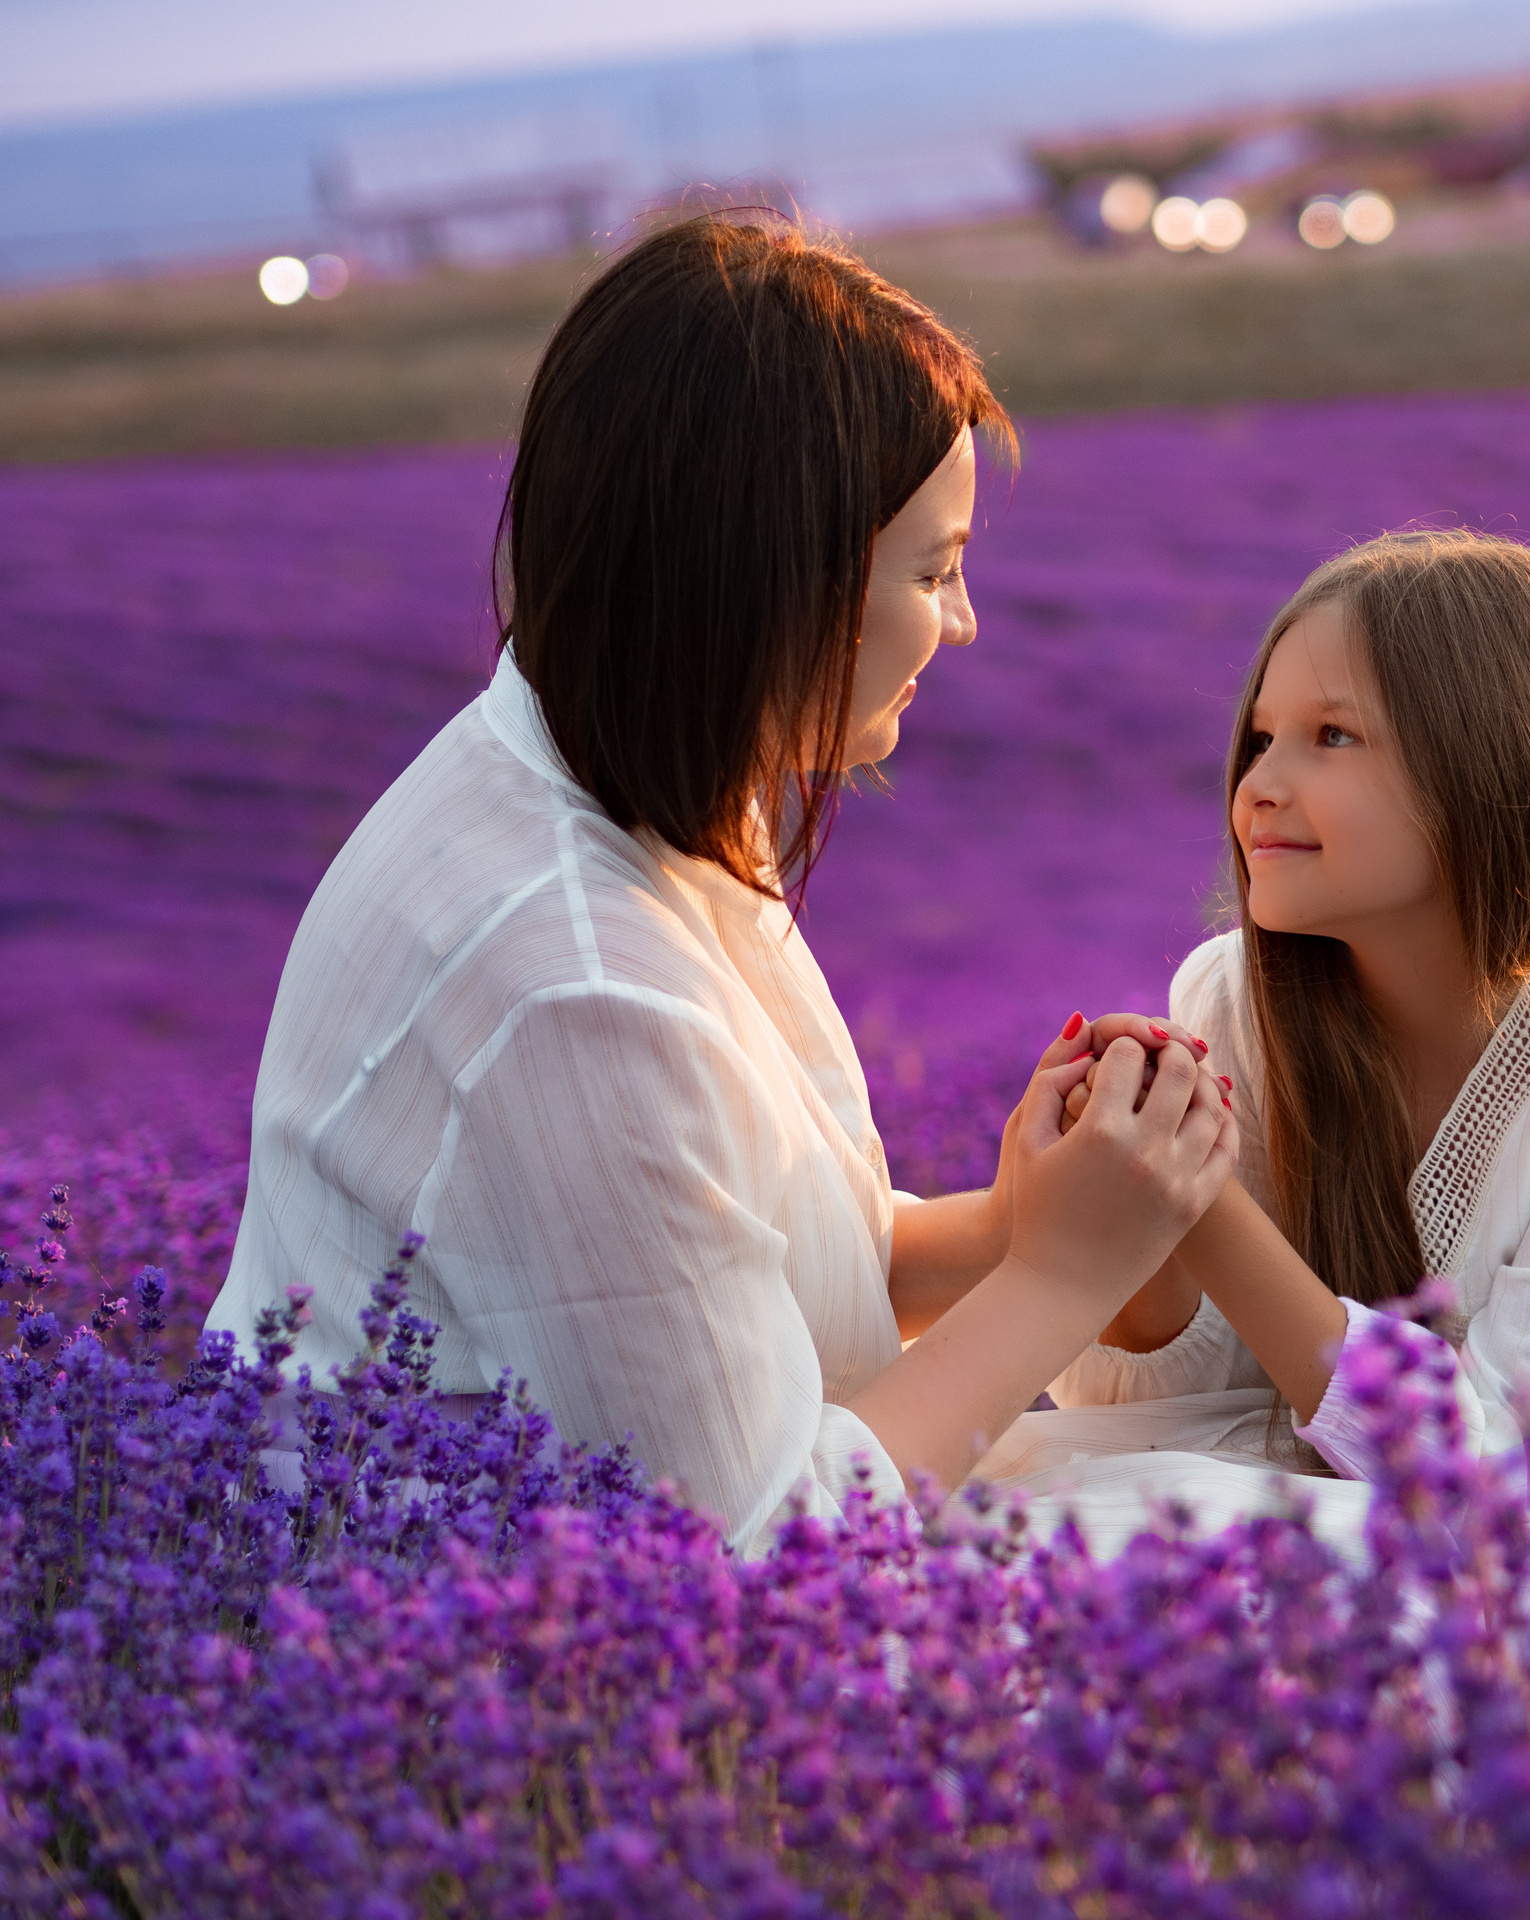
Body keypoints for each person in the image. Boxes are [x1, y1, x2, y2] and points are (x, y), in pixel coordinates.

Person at [206, 213, 1361, 1558]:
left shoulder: (634, 784)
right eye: (934, 571)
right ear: (778, 583)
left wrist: (1024, 1221)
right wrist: (1065, 1272)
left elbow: (754, 1283)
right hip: (508, 1679)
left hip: (668, 1578)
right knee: (1350, 1583)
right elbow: (760, 1560)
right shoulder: (574, 983)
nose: (967, 620)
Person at [1002, 531, 1530, 1483]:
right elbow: (1175, 1413)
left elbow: (1497, 1463)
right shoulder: (1230, 997)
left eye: (1331, 737)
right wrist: (1127, 1212)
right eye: (1262, 739)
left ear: (1497, 771)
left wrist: (1202, 1204)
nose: (1258, 787)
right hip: (1348, 1489)